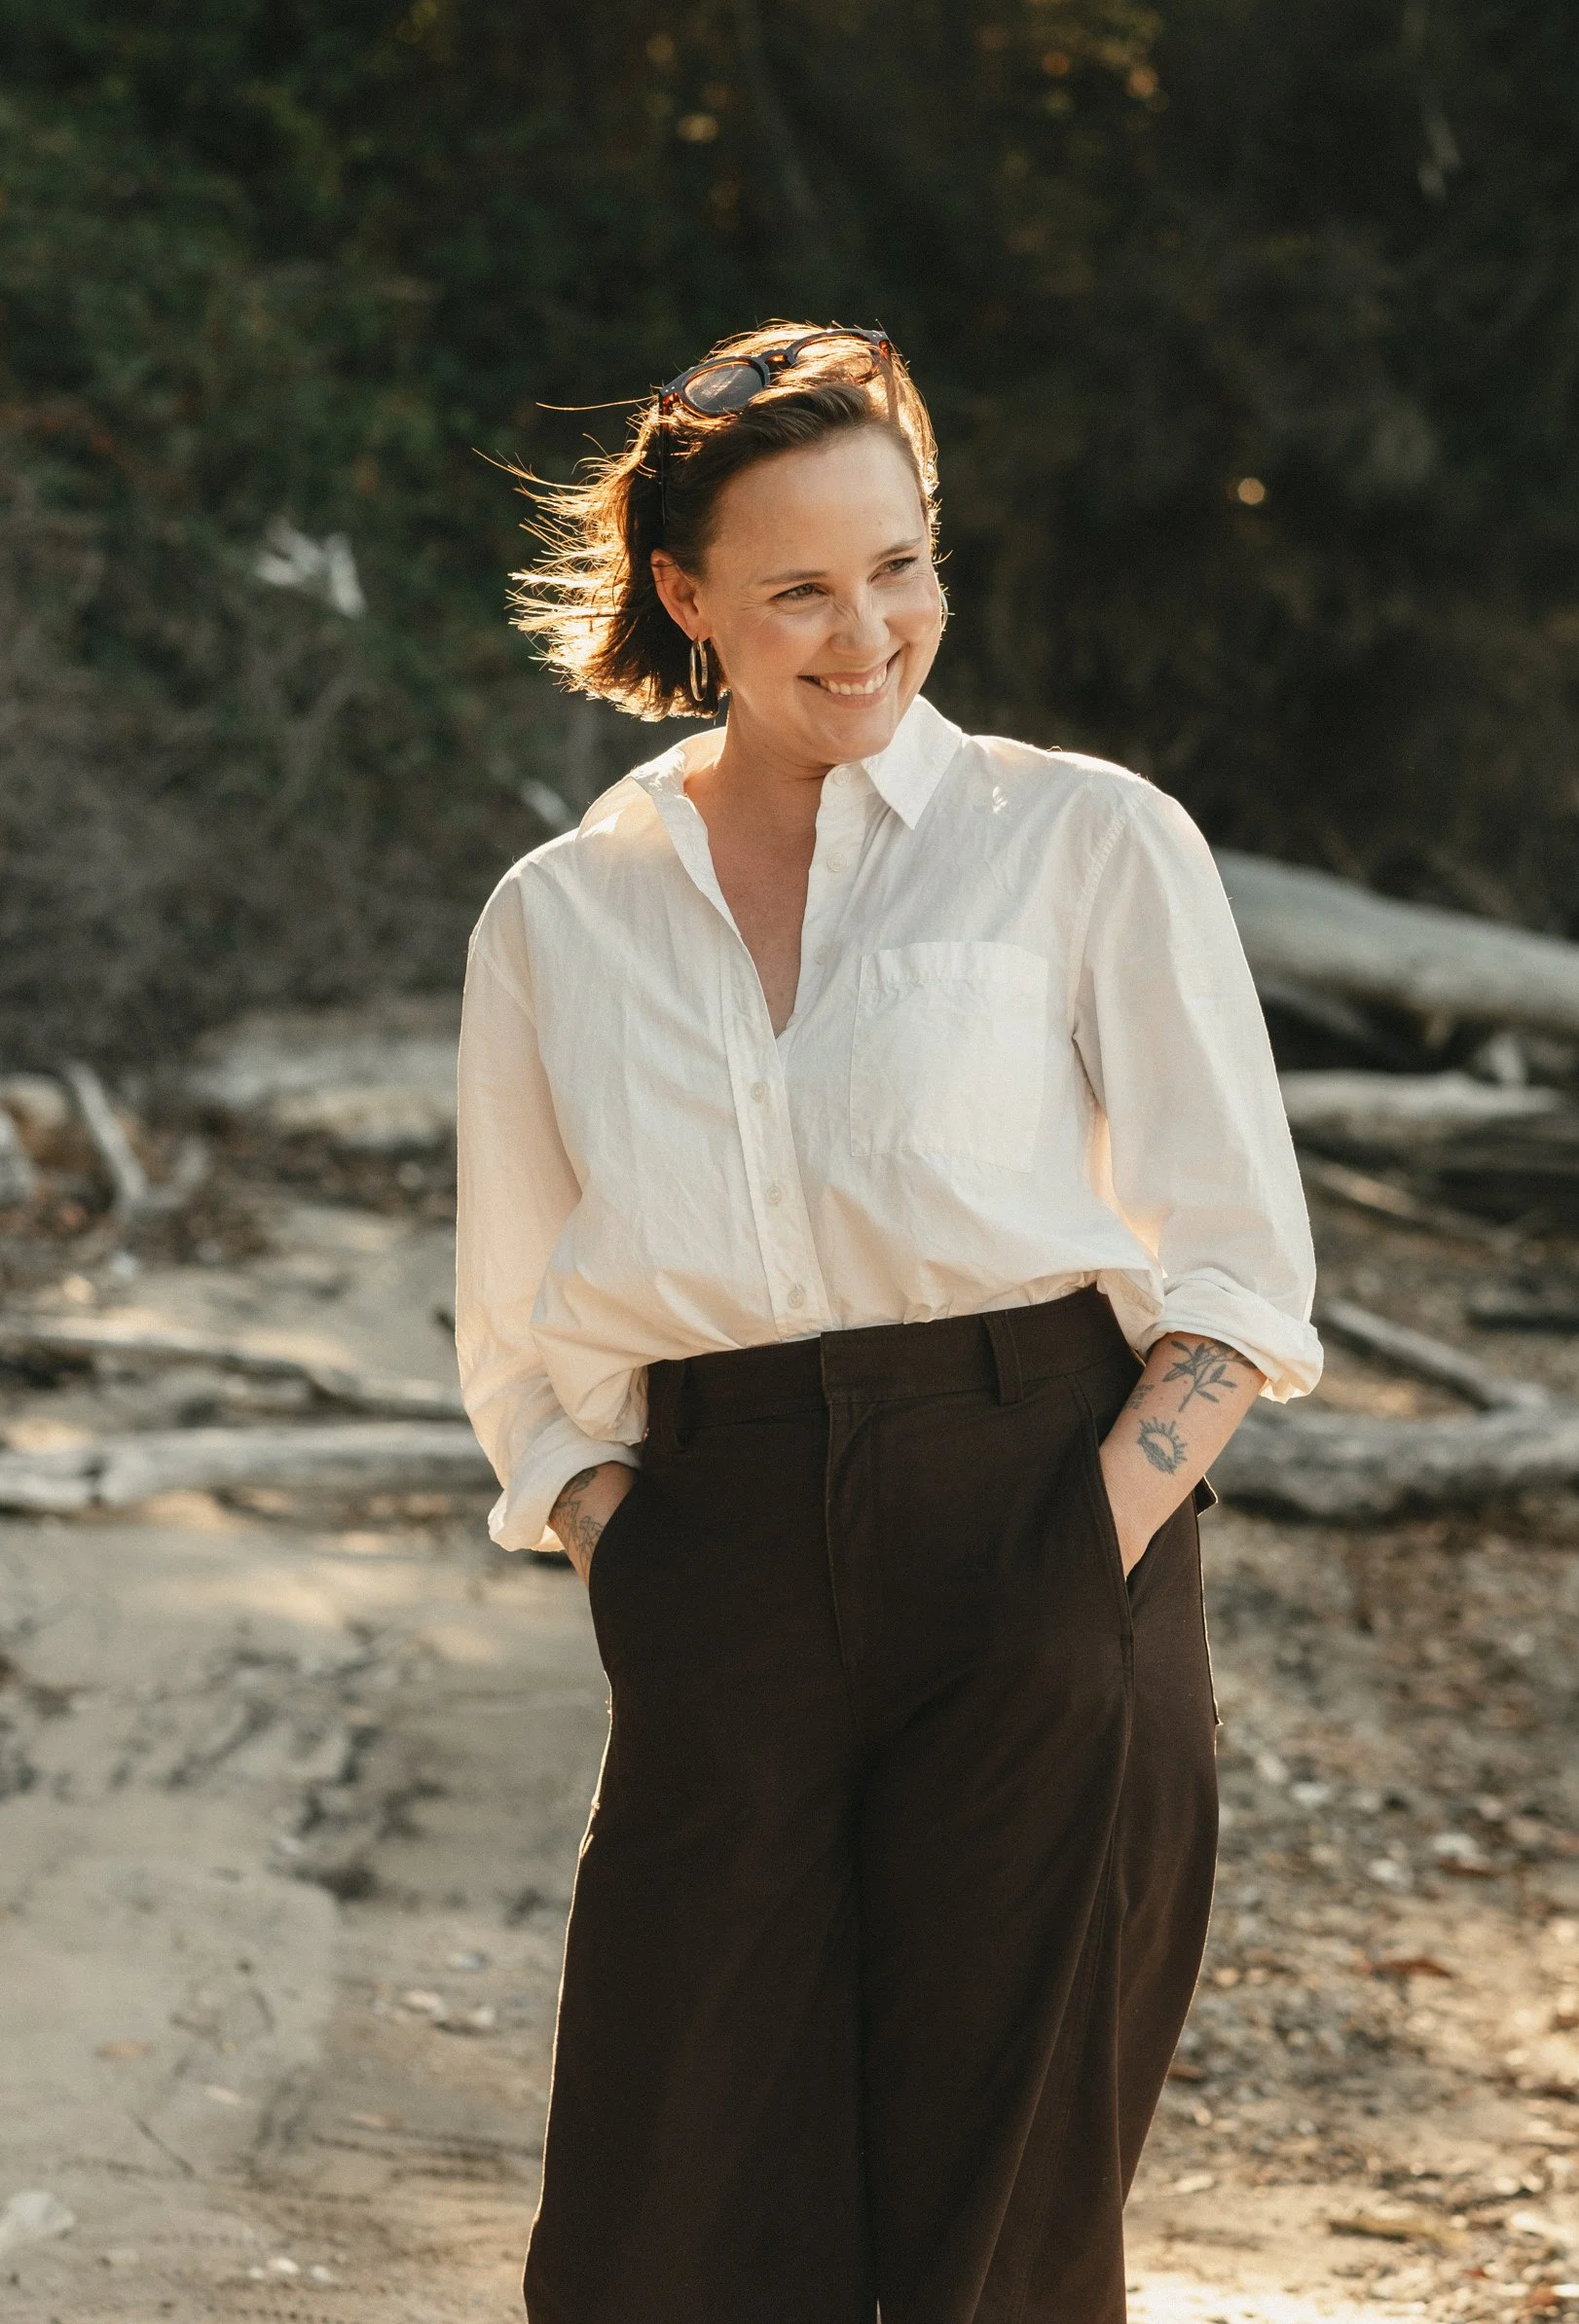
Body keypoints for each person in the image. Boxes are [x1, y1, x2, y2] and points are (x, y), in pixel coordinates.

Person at [453, 320, 1321, 2324]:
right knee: (654, 2236)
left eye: (902, 566)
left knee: (990, 2243)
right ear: (685, 599)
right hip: (720, 1547)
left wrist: (1078, 1550)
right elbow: (524, 1340)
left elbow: (1236, 1267)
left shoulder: (1084, 841)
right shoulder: (559, 919)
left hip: (1044, 1506)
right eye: (800, 590)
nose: (867, 633)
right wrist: (636, 1553)